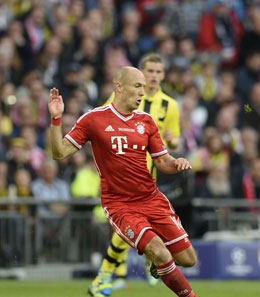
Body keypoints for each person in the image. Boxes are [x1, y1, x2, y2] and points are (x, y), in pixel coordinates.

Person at [48, 66, 198, 297]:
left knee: (188, 260)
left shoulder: (146, 121)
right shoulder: (93, 119)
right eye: (137, 86)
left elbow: (163, 162)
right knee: (160, 251)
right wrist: (56, 119)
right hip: (121, 205)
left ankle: (158, 264)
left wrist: (176, 163)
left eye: (144, 88)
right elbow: (59, 153)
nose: (142, 92)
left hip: (151, 198)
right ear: (119, 86)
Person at [93, 54, 182, 293]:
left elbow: (172, 141)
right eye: (149, 71)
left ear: (163, 75)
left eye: (158, 72)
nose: (153, 76)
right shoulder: (127, 96)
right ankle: (110, 274)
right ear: (140, 73)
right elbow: (103, 121)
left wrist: (173, 143)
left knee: (134, 228)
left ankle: (113, 273)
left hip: (148, 176)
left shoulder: (170, 105)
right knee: (126, 229)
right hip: (119, 175)